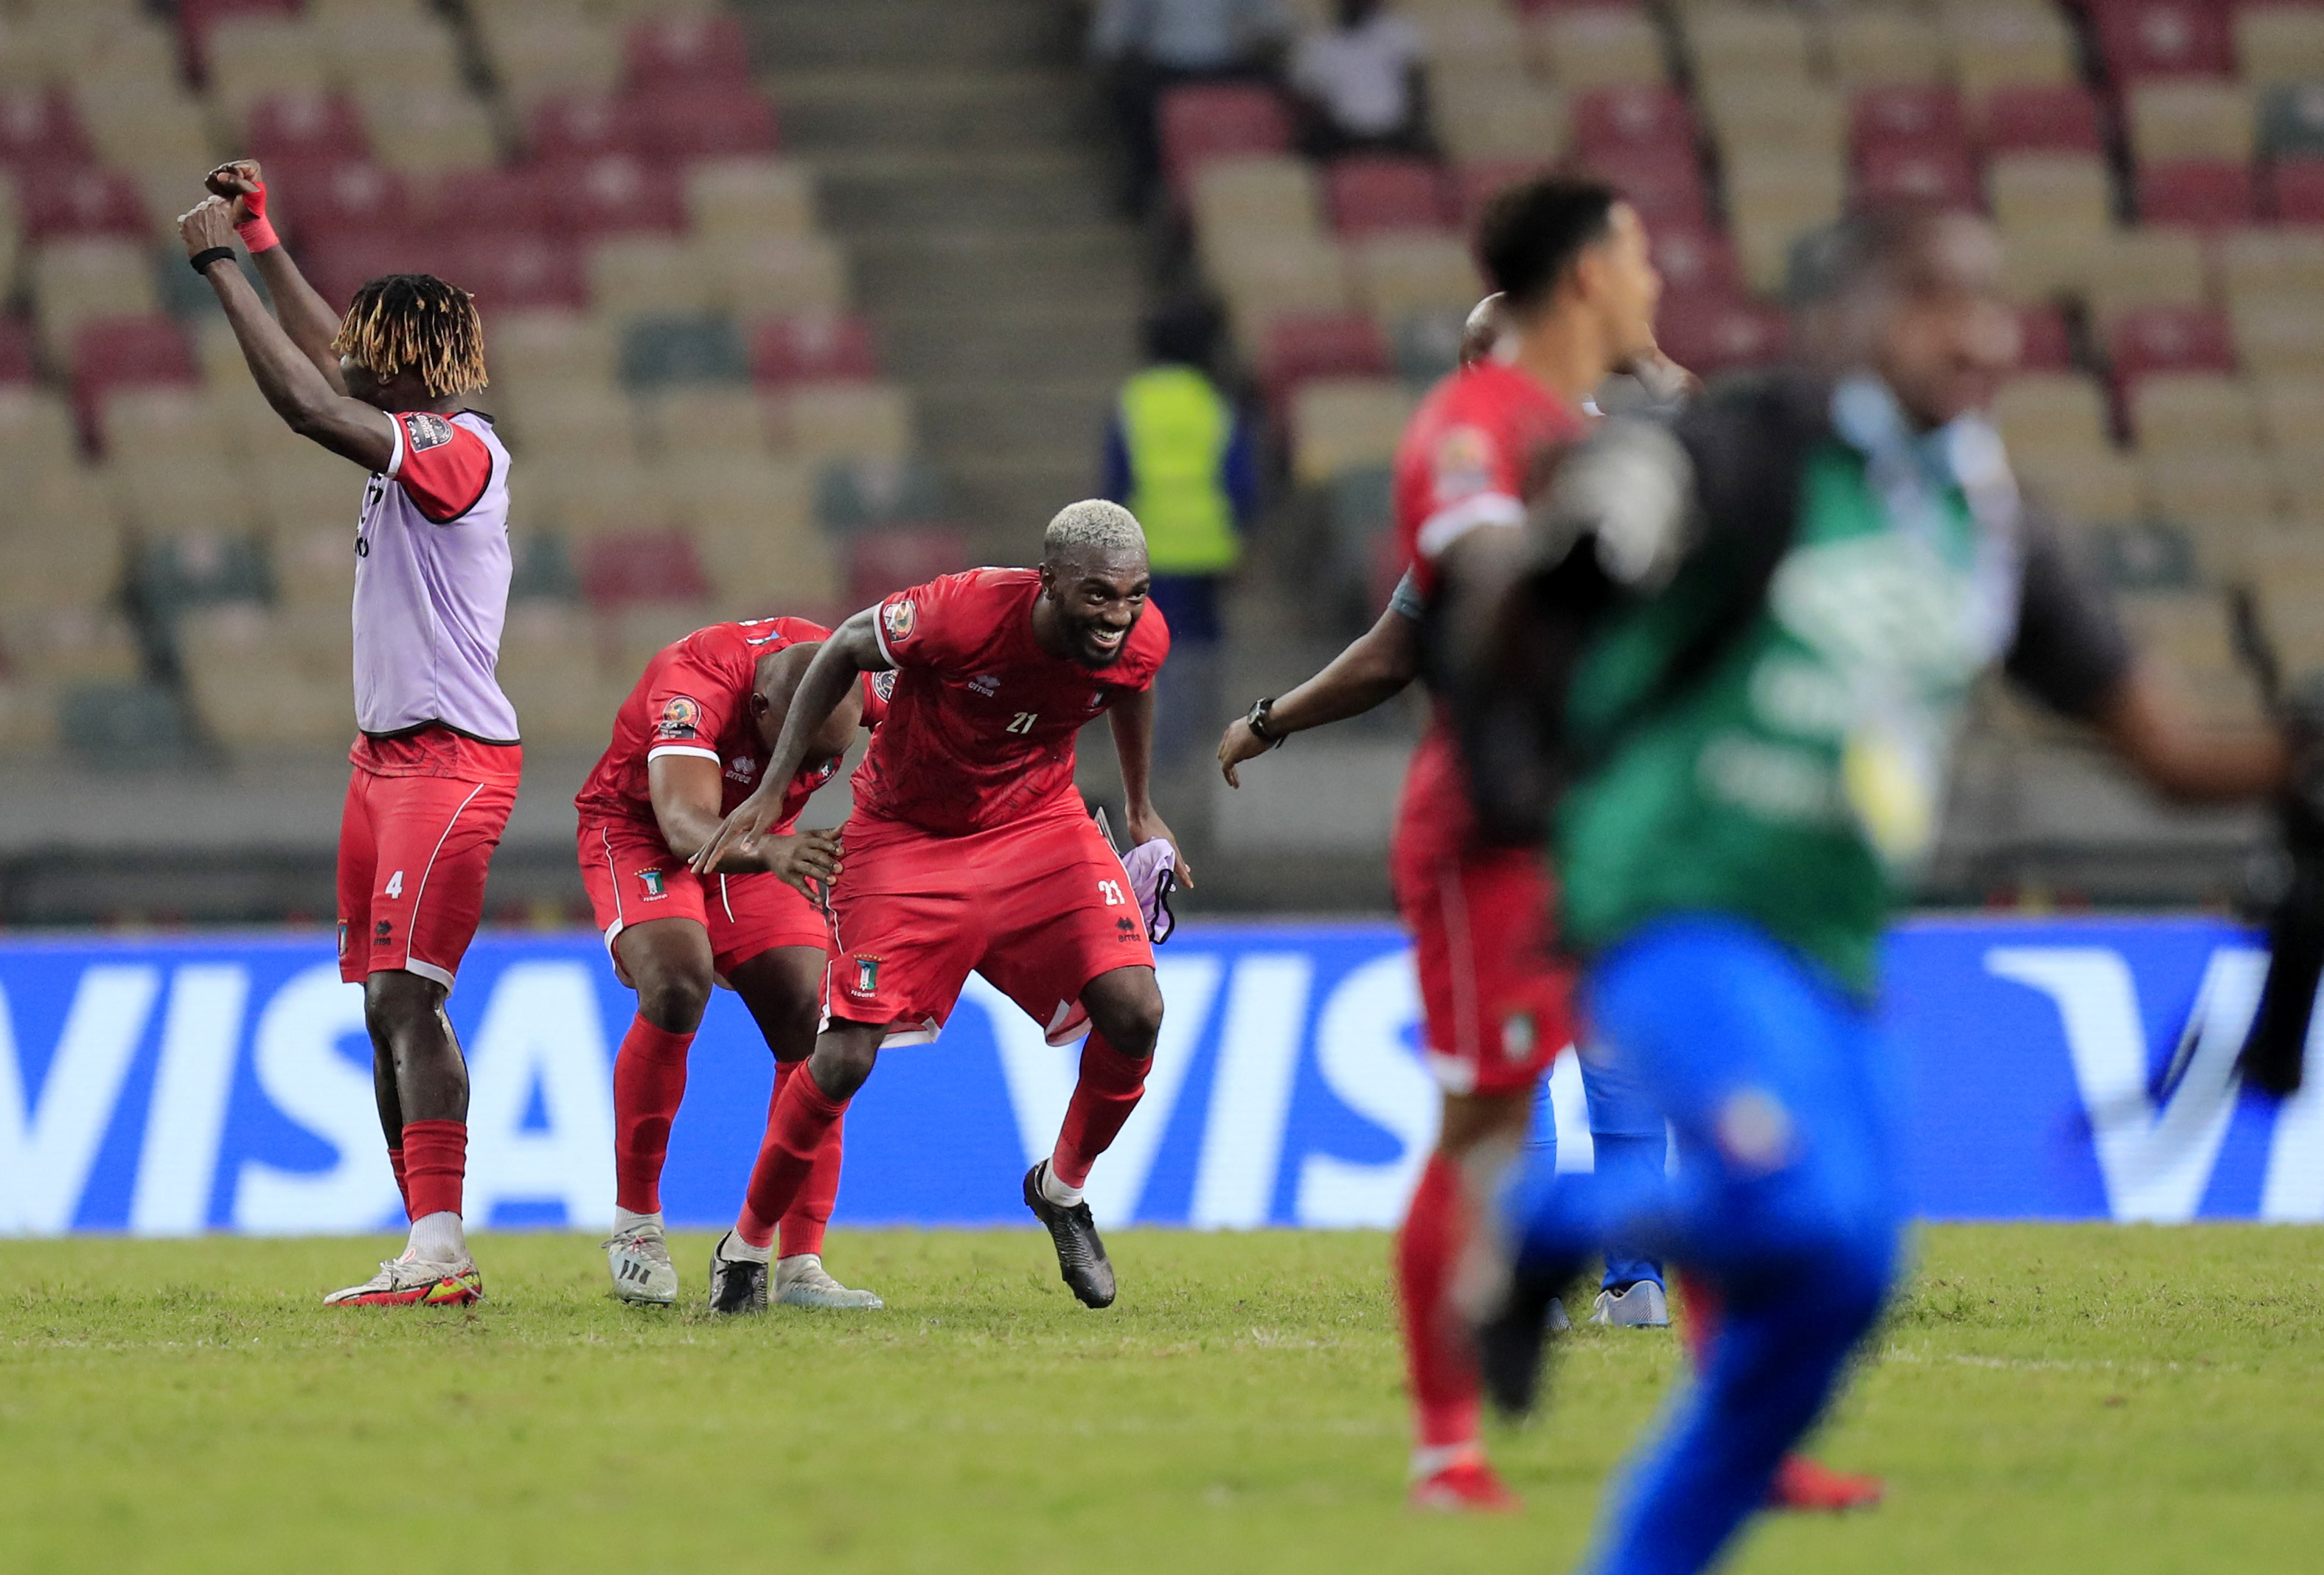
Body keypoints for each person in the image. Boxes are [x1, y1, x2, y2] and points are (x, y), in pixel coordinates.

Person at [1458, 204, 2295, 1574]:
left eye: (1986, 299)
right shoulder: (1753, 446)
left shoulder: (1984, 513)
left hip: (1827, 956)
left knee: (1844, 1274)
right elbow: (1550, 560)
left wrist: (2291, 763)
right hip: (1674, 910)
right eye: (1926, 296)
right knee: (1794, 1212)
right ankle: (1553, 1221)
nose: (1970, 330)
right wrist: (1572, 570)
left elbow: (2165, 752)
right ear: (1841, 317)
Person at [1217, 175, 1679, 1512]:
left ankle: (1716, 1398)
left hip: (1616, 820)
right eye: (1631, 255)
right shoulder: (1474, 440)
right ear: (1575, 289)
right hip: (1499, 822)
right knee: (1491, 1116)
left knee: (1683, 1078)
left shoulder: (1607, 446)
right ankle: (1449, 1446)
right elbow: (1467, 611)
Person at [689, 501, 1188, 1315]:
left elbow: (1131, 681)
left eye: (1133, 594)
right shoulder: (962, 610)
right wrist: (775, 788)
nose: (1118, 615)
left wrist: (1138, 808)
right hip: (907, 835)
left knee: (1136, 1011)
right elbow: (843, 648)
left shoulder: (1140, 634)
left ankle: (1060, 1193)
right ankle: (743, 1248)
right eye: (1098, 595)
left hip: (1039, 827)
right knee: (845, 1057)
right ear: (1049, 580)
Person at [180, 161, 519, 1307]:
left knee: (406, 1001)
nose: (354, 359)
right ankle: (428, 1246)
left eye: (375, 350)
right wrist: (268, 236)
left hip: (449, 761)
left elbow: (311, 403)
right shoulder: (420, 427)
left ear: (412, 363)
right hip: (381, 763)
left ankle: (440, 1247)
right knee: (383, 1001)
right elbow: (337, 368)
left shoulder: (460, 452)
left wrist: (220, 270)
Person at [574, 618, 890, 1311]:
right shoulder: (692, 688)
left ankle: (800, 1263)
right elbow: (686, 825)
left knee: (817, 1021)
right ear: (761, 711)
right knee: (679, 981)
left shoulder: (861, 672)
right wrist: (772, 851)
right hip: (645, 834)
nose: (808, 770)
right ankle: (636, 1228)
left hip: (761, 842)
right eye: (796, 753)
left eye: (822, 759)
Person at [1102, 299, 1257, 764]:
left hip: (1146, 553)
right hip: (1208, 550)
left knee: (1150, 650)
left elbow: (1114, 484)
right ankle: (1211, 743)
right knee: (1203, 647)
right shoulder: (1214, 403)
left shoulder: (1133, 404)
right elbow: (1242, 483)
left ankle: (1162, 749)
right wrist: (1241, 536)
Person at [1088, 0, 1295, 212]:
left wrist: (1260, 36)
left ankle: (1269, 181)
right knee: (1130, 98)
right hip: (1166, 68)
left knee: (1278, 93)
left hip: (1227, 65)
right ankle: (1148, 179)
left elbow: (1276, 22)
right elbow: (1114, 30)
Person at [1287, 0, 1430, 158]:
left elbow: (1418, 87)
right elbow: (1310, 102)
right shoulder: (1319, 45)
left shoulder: (1398, 35)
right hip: (1342, 137)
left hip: (1396, 134)